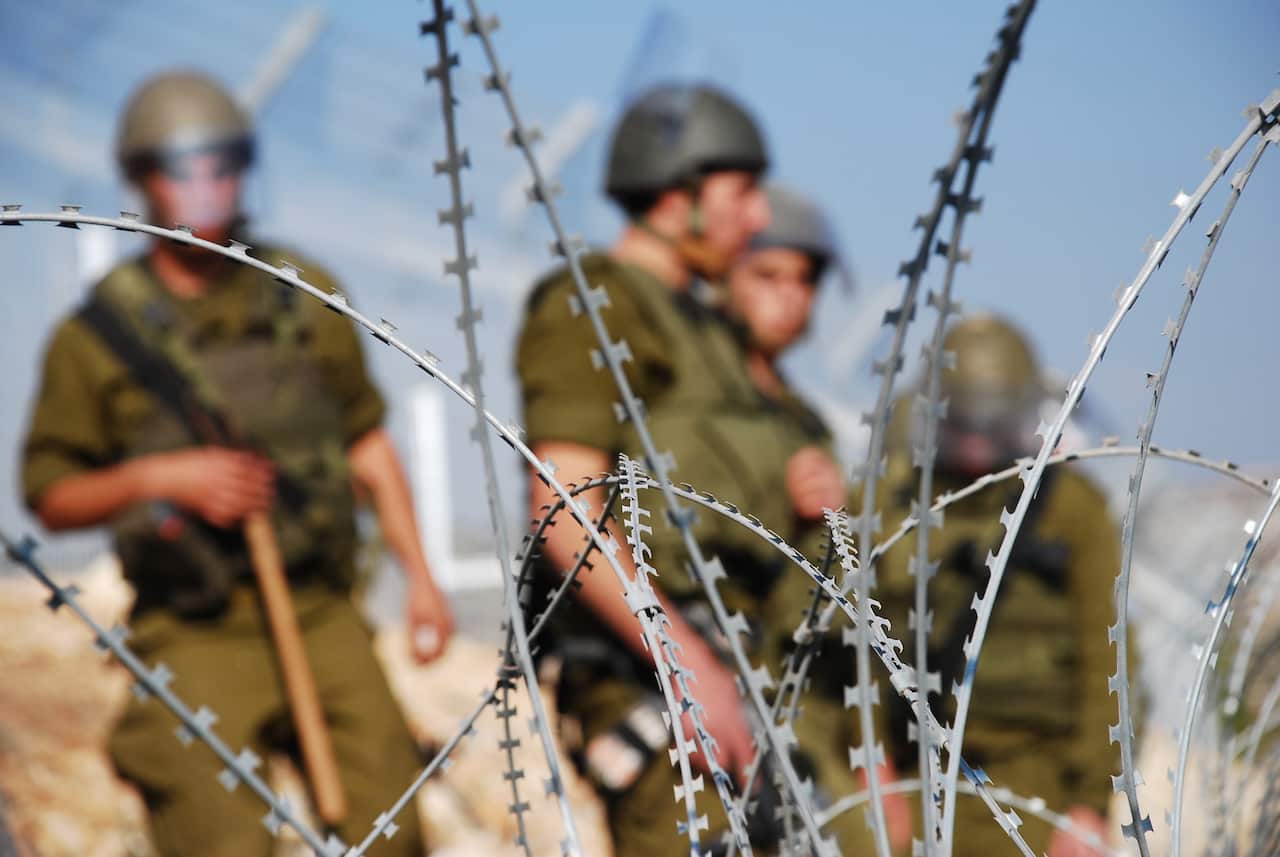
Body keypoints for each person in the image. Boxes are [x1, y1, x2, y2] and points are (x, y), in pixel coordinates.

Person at [19, 70, 452, 857]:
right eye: (184, 169)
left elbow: (367, 442)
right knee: (218, 838)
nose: (208, 186)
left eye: (225, 165)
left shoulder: (300, 295)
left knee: (391, 828)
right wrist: (161, 478)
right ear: (144, 180)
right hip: (194, 627)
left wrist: (420, 576)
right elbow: (50, 493)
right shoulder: (98, 337)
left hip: (320, 611)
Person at [516, 82, 852, 855]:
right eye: (742, 193)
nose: (759, 217)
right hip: (652, 673)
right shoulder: (598, 302)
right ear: (680, 196)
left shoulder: (711, 335)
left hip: (744, 671)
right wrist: (685, 664)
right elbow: (565, 507)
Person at [874, 314, 1119, 857]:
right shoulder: (896, 500)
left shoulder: (1071, 508)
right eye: (964, 424)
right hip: (910, 774)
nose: (977, 447)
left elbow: (1107, 657)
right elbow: (857, 644)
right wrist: (871, 763)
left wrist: (1088, 806)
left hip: (1033, 781)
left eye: (995, 426)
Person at [725, 184, 912, 854]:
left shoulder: (802, 424)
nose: (791, 297)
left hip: (802, 711)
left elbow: (847, 615)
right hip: (714, 697)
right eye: (767, 275)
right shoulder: (690, 407)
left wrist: (873, 757)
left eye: (805, 280)